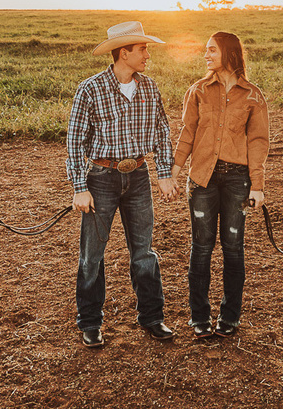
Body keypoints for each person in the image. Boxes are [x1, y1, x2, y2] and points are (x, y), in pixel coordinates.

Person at [66, 20, 179, 349]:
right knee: (93, 254)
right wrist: (79, 187)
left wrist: (164, 173)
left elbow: (161, 131)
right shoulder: (91, 89)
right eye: (142, 49)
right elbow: (75, 142)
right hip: (101, 179)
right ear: (123, 52)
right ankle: (90, 322)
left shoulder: (149, 87)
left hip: (139, 177)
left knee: (144, 252)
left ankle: (152, 317)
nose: (147, 55)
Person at [172, 31, 269, 339]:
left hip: (238, 180)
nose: (206, 55)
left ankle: (230, 316)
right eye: (205, 50)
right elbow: (188, 132)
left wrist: (258, 184)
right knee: (201, 247)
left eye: (211, 50)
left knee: (233, 249)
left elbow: (258, 141)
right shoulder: (198, 90)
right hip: (202, 178)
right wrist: (174, 170)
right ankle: (198, 316)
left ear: (228, 53)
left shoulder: (253, 96)